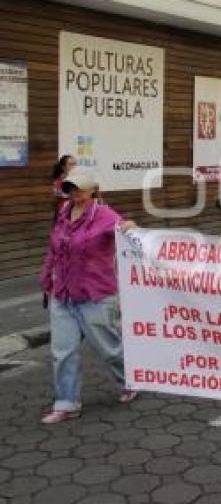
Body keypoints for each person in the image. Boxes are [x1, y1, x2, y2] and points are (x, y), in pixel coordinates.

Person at [38, 170, 137, 424]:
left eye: (81, 188)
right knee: (63, 351)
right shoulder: (63, 213)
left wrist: (129, 227)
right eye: (72, 188)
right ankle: (66, 403)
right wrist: (47, 276)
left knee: (109, 349)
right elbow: (54, 249)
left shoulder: (103, 214)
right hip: (64, 294)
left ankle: (131, 379)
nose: (76, 193)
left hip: (96, 294)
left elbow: (123, 228)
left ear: (93, 189)